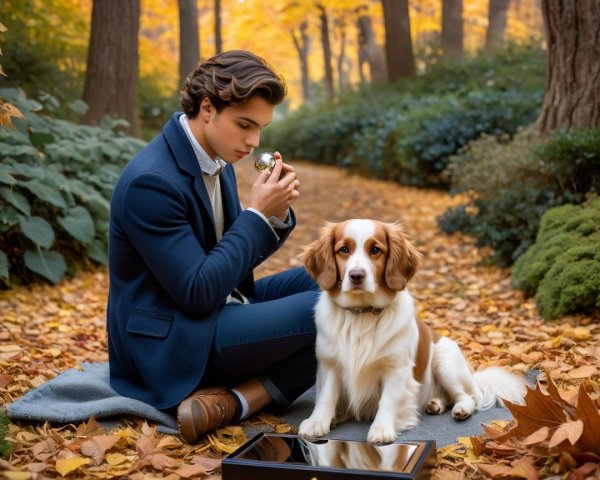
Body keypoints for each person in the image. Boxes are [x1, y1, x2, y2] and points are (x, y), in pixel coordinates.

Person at [106, 50, 320, 443]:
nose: (254, 142)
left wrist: (272, 216)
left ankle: (234, 402)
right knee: (330, 311)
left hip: (218, 306)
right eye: (244, 125)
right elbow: (198, 291)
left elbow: (228, 260)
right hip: (173, 341)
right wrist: (255, 216)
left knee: (342, 284)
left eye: (261, 128)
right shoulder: (151, 182)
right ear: (208, 108)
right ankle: (245, 397)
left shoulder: (212, 158)